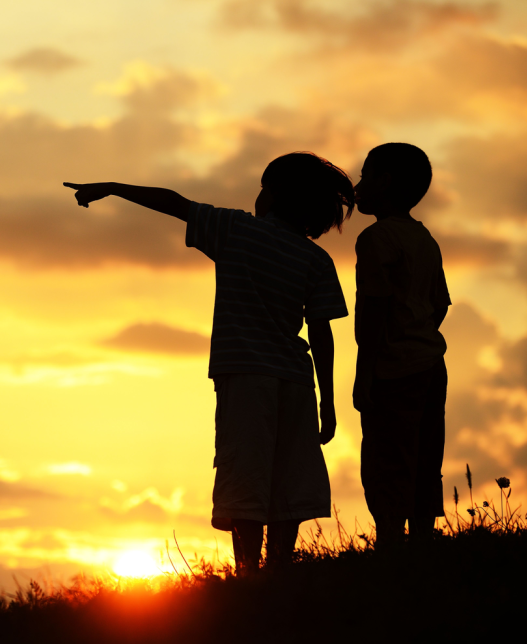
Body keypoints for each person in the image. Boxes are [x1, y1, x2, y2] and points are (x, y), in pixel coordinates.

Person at [64, 152, 354, 572]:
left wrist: (112, 188)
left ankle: (249, 576)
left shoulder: (236, 230)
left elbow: (173, 202)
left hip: (246, 377)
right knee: (290, 480)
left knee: (246, 476)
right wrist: (328, 401)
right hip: (295, 380)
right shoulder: (316, 260)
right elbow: (322, 334)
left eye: (262, 187)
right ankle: (279, 572)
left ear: (274, 195)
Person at [352, 143, 449, 550]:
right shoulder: (424, 238)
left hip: (393, 370)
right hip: (431, 363)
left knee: (387, 459)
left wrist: (364, 374)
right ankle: (424, 542)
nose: (358, 186)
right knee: (426, 457)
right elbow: (440, 302)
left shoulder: (376, 238)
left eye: (365, 176)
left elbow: (372, 312)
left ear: (384, 182)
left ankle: (390, 545)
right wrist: (418, 333)